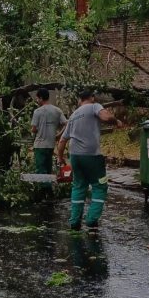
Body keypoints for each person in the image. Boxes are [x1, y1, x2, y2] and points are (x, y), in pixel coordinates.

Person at [57, 88, 122, 229]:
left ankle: (74, 221)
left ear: (79, 100)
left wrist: (60, 159)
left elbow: (62, 141)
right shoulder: (94, 106)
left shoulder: (73, 115)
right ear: (92, 97)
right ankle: (91, 220)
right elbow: (105, 117)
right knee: (100, 185)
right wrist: (116, 121)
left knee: (79, 186)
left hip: (75, 157)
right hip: (92, 156)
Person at [31, 87, 67, 174]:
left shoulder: (37, 111)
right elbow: (67, 123)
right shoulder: (57, 110)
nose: (37, 101)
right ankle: (49, 187)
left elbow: (33, 129)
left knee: (41, 171)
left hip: (40, 145)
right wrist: (59, 135)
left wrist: (35, 130)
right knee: (48, 170)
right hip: (51, 145)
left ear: (40, 98)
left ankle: (44, 187)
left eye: (37, 98)